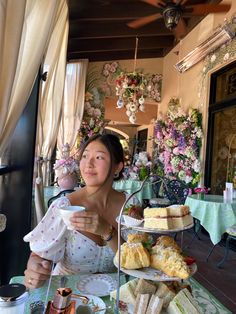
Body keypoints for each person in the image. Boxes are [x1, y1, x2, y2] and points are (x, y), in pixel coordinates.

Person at [23, 134, 139, 289]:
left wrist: (108, 232)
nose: (88, 164)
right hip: (68, 292)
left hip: (115, 293)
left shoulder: (131, 205)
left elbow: (137, 262)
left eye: (99, 157)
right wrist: (36, 268)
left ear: (117, 166)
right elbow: (39, 255)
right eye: (85, 156)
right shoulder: (63, 207)